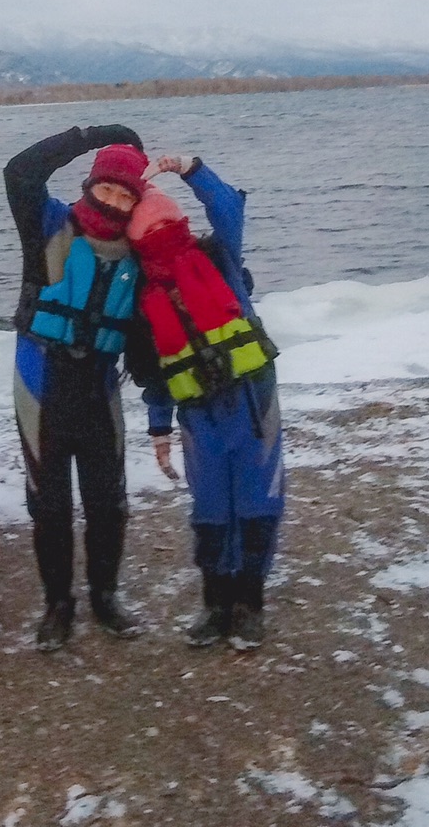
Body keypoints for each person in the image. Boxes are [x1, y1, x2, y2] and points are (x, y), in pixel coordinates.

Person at [125, 154, 284, 651]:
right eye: (153, 227)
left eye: (172, 222)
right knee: (211, 511)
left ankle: (250, 603)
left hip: (253, 404)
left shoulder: (220, 258)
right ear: (134, 242)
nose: (166, 231)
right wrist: (158, 430)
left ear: (185, 223)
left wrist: (190, 168)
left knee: (258, 507)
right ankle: (216, 604)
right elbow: (154, 375)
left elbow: (229, 209)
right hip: (198, 416)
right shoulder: (142, 300)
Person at [4, 124, 151, 652]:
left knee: (108, 502)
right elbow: (20, 172)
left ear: (136, 199)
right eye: (106, 187)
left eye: (125, 193)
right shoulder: (46, 224)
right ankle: (57, 605)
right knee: (50, 505)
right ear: (90, 185)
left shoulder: (139, 253)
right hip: (41, 382)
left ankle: (105, 597)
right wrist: (91, 137)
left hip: (98, 389)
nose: (113, 200)